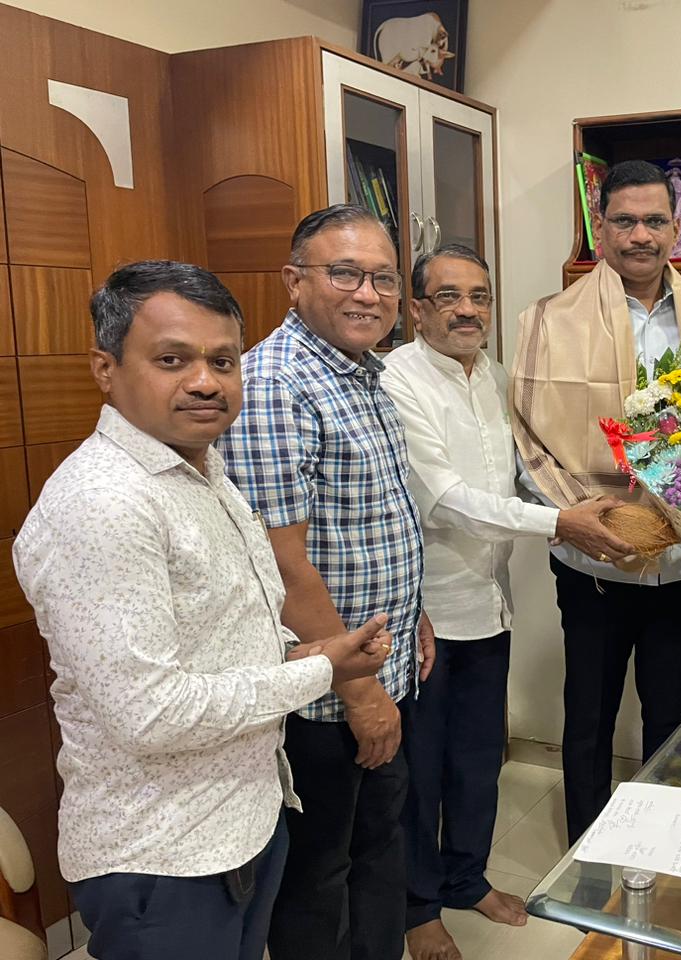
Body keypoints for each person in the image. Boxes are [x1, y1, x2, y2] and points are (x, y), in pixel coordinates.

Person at [13, 261, 393, 960]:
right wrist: (320, 671)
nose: (205, 382)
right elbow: (151, 714)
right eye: (171, 360)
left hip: (240, 821)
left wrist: (302, 651)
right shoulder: (105, 504)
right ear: (105, 369)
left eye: (222, 361)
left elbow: (219, 633)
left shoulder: (199, 468)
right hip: (164, 854)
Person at [510, 159, 681, 844]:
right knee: (588, 715)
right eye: (624, 221)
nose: (640, 236)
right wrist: (579, 518)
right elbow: (527, 432)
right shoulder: (549, 319)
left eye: (655, 220)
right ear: (600, 228)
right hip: (593, 558)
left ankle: (660, 843)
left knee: (672, 713)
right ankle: (586, 856)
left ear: (677, 228)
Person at [382, 244, 625, 960]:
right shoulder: (397, 380)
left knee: (479, 758)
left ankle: (466, 878)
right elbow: (446, 499)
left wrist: (614, 491)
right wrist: (562, 522)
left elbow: (528, 471)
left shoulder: (495, 377)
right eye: (448, 297)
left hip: (490, 604)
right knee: (421, 769)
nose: (467, 311)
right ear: (417, 309)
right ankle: (419, 907)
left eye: (479, 297)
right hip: (424, 613)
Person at [220, 205, 433, 960]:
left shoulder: (363, 372)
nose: (369, 294)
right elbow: (283, 564)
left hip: (381, 661)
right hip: (326, 694)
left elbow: (370, 518)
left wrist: (414, 612)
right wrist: (359, 692)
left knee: (378, 847)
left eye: (383, 278)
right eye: (345, 274)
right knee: (320, 878)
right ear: (294, 281)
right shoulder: (276, 384)